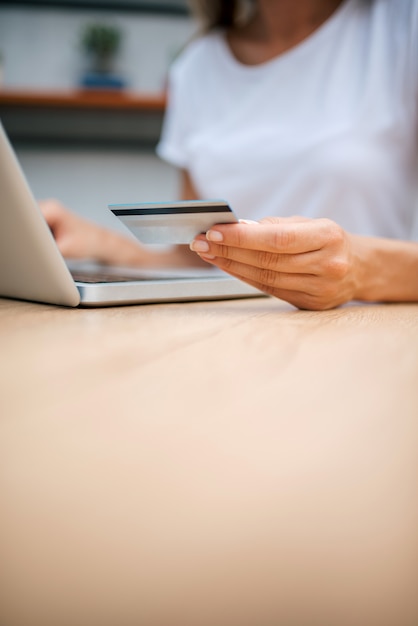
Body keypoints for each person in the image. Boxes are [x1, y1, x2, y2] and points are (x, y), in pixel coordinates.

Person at [40, 0, 418, 310]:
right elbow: (200, 253)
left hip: (366, 338)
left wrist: (361, 269)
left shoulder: (400, 26)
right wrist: (102, 245)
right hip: (233, 339)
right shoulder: (197, 67)